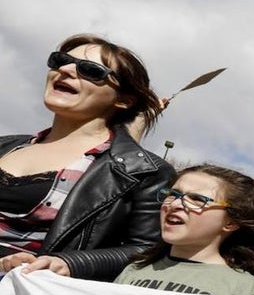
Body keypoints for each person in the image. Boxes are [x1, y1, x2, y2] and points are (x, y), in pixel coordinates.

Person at [0, 34, 175, 280]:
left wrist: (68, 263)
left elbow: (147, 250)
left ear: (124, 100)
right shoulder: (6, 145)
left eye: (91, 70)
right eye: (60, 60)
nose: (66, 70)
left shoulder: (143, 171)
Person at [114, 165, 254, 295]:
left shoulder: (243, 289)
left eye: (196, 199)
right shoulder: (133, 271)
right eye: (173, 194)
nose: (175, 204)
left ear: (231, 222)